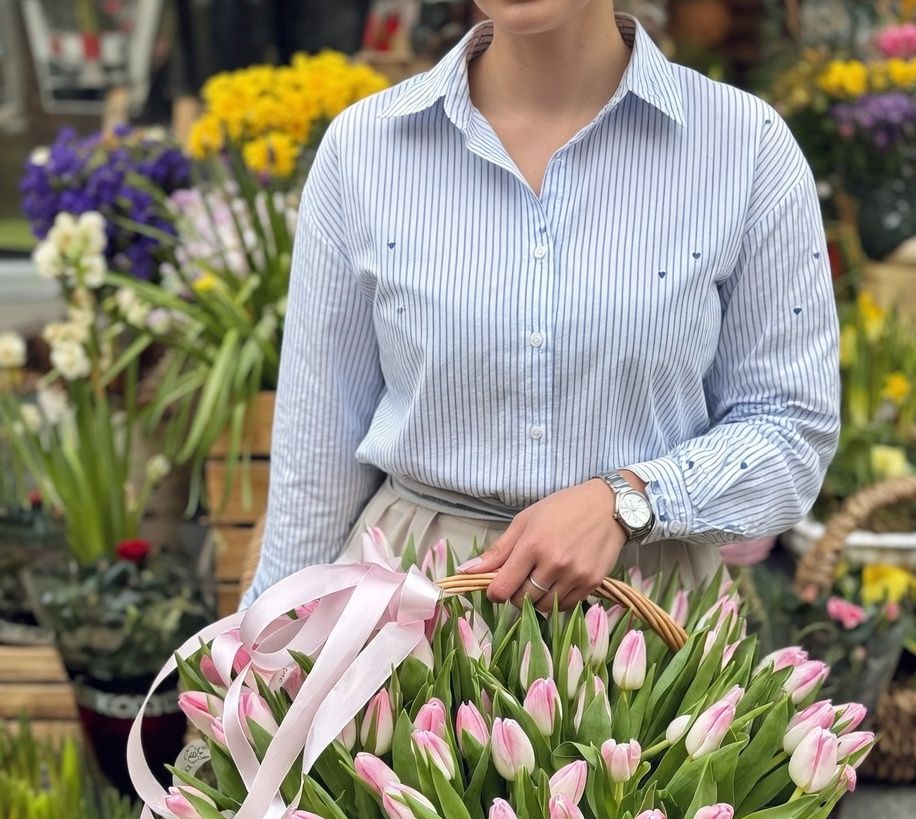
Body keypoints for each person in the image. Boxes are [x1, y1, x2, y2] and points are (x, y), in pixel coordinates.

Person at [242, 0, 840, 614]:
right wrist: (262, 639)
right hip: (410, 610)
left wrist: (632, 498)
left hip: (643, 615)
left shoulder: (744, 146)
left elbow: (790, 427)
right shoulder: (365, 148)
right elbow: (318, 451)